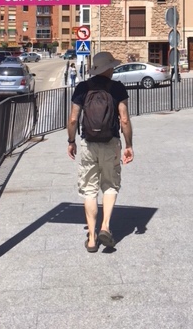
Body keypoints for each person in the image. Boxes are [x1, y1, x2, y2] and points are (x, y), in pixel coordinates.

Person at [67, 51, 134, 252]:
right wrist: (129, 145)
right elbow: (124, 119)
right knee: (110, 185)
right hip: (111, 142)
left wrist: (71, 141)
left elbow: (73, 119)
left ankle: (91, 238)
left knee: (89, 190)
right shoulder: (117, 88)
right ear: (109, 68)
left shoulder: (82, 88)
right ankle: (105, 226)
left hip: (88, 144)